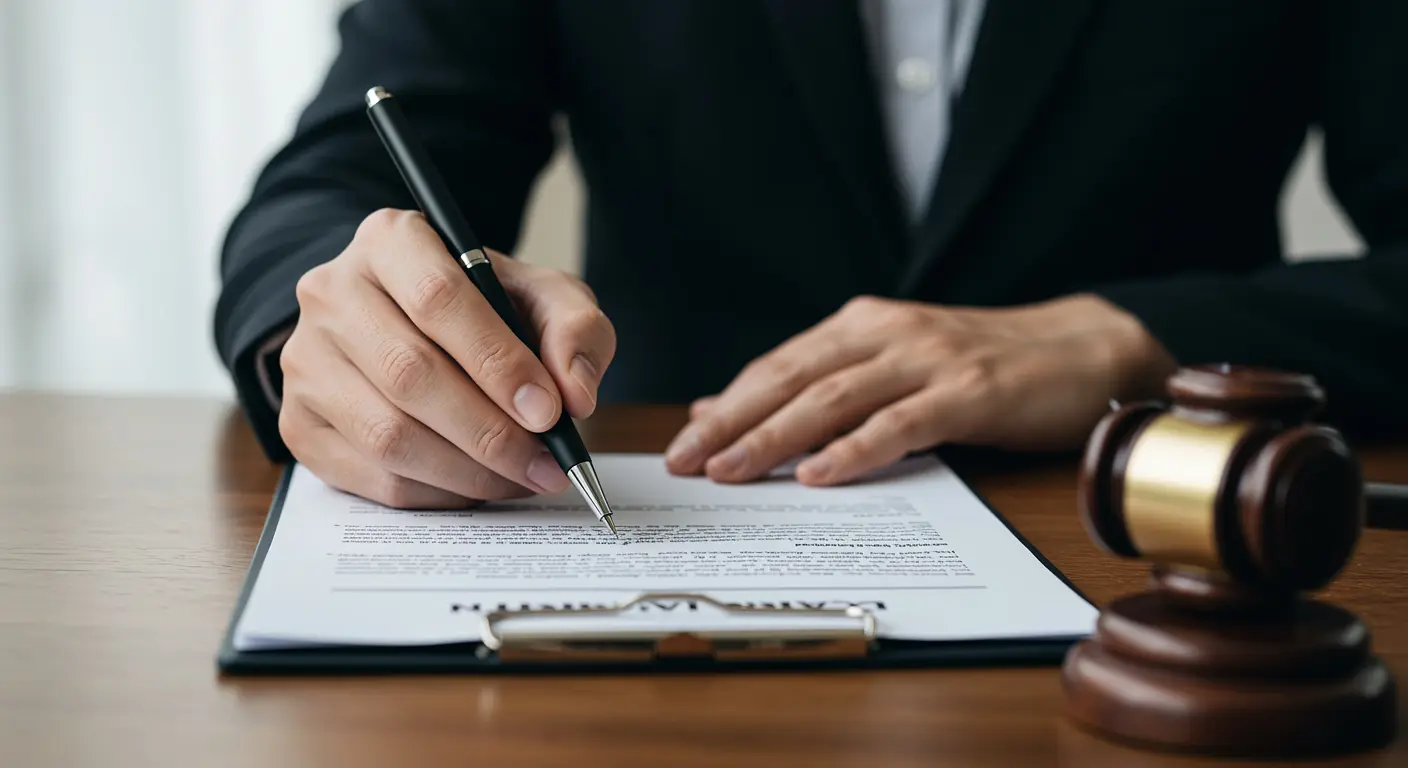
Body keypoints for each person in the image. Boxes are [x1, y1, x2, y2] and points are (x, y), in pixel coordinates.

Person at [214, 0, 1408, 509]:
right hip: (674, 535)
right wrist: (330, 323)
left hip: (1153, 559)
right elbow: (338, 178)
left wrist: (1129, 341)